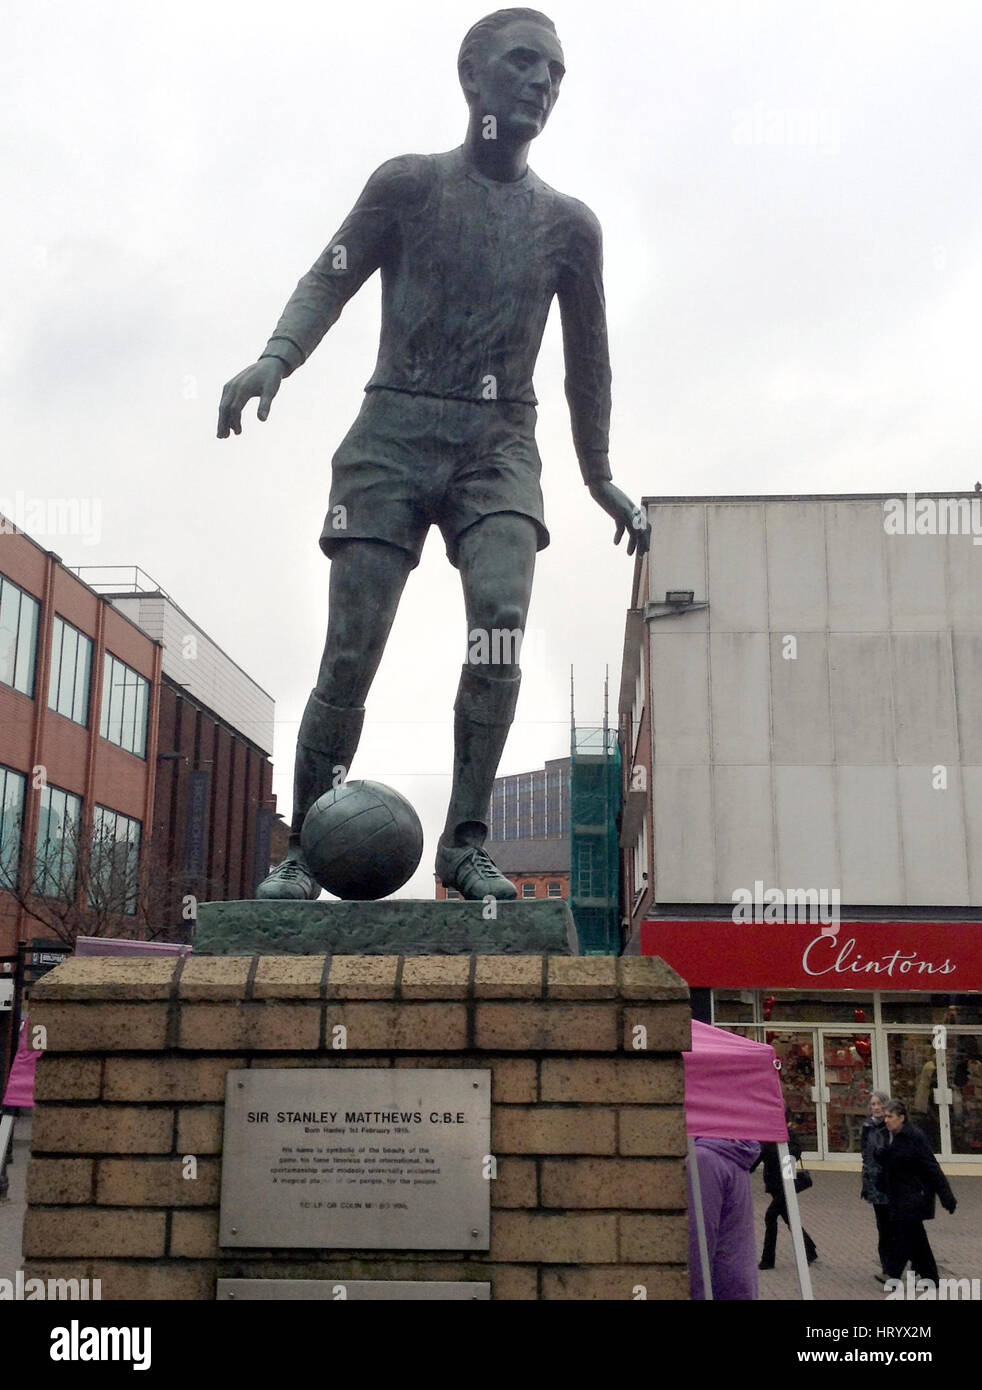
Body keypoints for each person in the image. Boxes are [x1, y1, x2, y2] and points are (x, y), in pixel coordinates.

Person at [217, 9, 650, 901]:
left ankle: (465, 844)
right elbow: (330, 274)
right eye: (524, 65)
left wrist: (598, 473)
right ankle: (305, 851)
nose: (543, 84)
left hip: (500, 446)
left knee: (499, 621)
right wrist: (276, 357)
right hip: (392, 434)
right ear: (472, 78)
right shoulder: (409, 186)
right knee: (351, 649)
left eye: (556, 73)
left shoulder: (570, 227)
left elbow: (588, 360)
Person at [880, 1098, 957, 1285]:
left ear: (901, 1118)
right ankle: (931, 1276)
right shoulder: (891, 1136)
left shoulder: (914, 1137)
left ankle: (892, 1273)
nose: (886, 1120)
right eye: (885, 1117)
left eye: (890, 1116)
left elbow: (932, 1167)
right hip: (901, 1195)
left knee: (905, 1234)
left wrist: (947, 1197)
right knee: (917, 1238)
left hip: (916, 1195)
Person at [687, 1137, 761, 1300]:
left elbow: (699, 1239)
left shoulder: (702, 1159)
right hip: (736, 1282)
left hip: (718, 1286)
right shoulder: (730, 1151)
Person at [756, 1124, 818, 1270]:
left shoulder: (787, 1132)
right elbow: (757, 1156)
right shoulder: (765, 1134)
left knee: (770, 1216)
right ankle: (809, 1249)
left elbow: (796, 1151)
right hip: (773, 1184)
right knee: (789, 1217)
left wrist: (782, 1151)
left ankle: (768, 1260)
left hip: (787, 1182)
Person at [860, 1090, 891, 1282]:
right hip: (874, 1184)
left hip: (890, 1182)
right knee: (883, 1226)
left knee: (897, 1225)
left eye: (880, 1103)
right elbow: (865, 1153)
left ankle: (911, 1262)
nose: (877, 1107)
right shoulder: (867, 1126)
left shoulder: (891, 1126)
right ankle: (887, 1267)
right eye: (873, 1104)